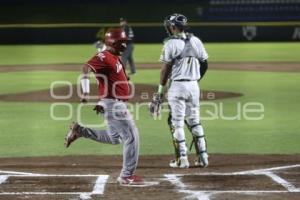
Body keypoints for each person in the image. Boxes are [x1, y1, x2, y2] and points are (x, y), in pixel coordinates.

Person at [64, 28, 142, 185]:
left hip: (111, 103)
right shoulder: (104, 56)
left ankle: (80, 131)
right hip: (113, 104)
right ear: (113, 43)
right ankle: (126, 176)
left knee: (115, 138)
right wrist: (85, 92)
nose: (125, 45)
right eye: (122, 42)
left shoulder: (115, 57)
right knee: (131, 137)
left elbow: (111, 80)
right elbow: (86, 68)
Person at [149, 13, 209, 168]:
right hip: (194, 86)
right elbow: (205, 64)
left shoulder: (171, 44)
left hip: (177, 86)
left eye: (170, 25)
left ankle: (182, 159)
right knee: (194, 121)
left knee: (176, 122)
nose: (168, 27)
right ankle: (203, 158)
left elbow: (165, 70)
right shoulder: (196, 41)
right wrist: (195, 79)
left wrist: (160, 92)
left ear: (173, 26)